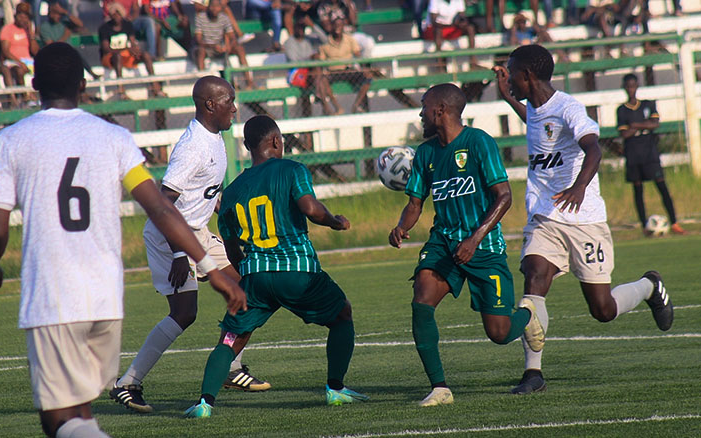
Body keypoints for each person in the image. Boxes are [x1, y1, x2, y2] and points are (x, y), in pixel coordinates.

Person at [0, 42, 246, 438]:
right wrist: (207, 265)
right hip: (104, 295)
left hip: (51, 293)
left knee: (61, 420)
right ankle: (170, 376)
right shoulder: (114, 137)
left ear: (33, 83)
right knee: (81, 416)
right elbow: (161, 208)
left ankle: (225, 368)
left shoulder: (12, 139)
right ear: (84, 85)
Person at [492, 44, 673, 395]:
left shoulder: (569, 108)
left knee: (603, 310)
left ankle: (649, 286)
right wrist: (506, 99)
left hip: (583, 219)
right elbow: (535, 124)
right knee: (534, 278)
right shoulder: (534, 109)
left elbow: (594, 147)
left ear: (527, 76)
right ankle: (533, 373)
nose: (509, 78)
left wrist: (578, 187)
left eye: (512, 73)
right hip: (545, 216)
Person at [183, 114, 368, 417]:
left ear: (247, 146)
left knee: (230, 339)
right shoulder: (291, 169)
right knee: (342, 314)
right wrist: (334, 221)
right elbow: (310, 208)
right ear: (276, 141)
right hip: (297, 270)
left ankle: (204, 403)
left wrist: (248, 273)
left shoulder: (232, 190)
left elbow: (230, 247)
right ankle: (335, 389)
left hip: (256, 274)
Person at [109, 76, 271, 414]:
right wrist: (181, 252)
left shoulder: (214, 138)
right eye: (229, 100)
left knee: (248, 290)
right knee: (184, 314)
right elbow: (164, 203)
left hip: (195, 230)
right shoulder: (193, 146)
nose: (235, 107)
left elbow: (204, 195)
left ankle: (232, 367)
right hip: (170, 235)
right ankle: (128, 383)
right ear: (210, 105)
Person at [388, 83, 544, 407]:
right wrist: (402, 227)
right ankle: (440, 388)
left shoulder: (479, 142)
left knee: (499, 333)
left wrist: (475, 238)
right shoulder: (427, 153)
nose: (420, 113)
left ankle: (527, 317)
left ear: (440, 110)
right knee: (422, 297)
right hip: (444, 243)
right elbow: (415, 203)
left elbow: (504, 196)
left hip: (483, 247)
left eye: (423, 106)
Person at [616, 73, 685, 236]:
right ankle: (645, 226)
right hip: (633, 154)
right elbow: (624, 134)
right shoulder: (621, 110)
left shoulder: (647, 104)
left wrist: (635, 126)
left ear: (637, 86)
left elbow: (655, 124)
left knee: (662, 186)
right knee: (638, 190)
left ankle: (674, 222)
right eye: (628, 86)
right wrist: (643, 126)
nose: (631, 89)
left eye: (633, 86)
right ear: (624, 88)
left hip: (650, 153)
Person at [98, 2, 165, 100]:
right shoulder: (104, 28)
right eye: (114, 14)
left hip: (125, 56)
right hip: (110, 58)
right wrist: (125, 49)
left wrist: (136, 50)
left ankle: (155, 86)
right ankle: (121, 90)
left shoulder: (127, 25)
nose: (116, 16)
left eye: (118, 14)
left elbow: (132, 42)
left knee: (145, 55)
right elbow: (106, 48)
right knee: (117, 55)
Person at [283, 16, 339, 115]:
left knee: (319, 76)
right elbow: (294, 61)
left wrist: (312, 25)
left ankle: (324, 104)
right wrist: (310, 58)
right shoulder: (289, 43)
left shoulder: (309, 39)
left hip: (312, 74)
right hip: (297, 74)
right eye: (299, 27)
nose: (301, 30)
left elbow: (325, 40)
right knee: (320, 75)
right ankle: (331, 106)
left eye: (303, 28)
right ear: (294, 28)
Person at [193, 0, 255, 89]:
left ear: (220, 8)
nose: (214, 9)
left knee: (239, 48)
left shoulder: (224, 18)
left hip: (220, 47)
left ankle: (249, 82)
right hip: (207, 47)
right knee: (200, 51)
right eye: (212, 6)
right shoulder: (200, 18)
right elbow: (198, 40)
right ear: (208, 7)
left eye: (217, 6)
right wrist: (213, 46)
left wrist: (228, 45)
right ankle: (202, 86)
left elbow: (232, 36)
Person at [317, 16, 369, 114]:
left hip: (347, 69)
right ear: (331, 26)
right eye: (335, 25)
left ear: (343, 27)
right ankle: (335, 107)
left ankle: (356, 105)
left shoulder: (350, 39)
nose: (337, 27)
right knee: (322, 81)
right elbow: (321, 61)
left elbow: (358, 54)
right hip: (333, 72)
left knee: (368, 76)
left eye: (340, 25)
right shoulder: (325, 43)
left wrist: (361, 63)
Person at [39, 2, 99, 80]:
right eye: (54, 13)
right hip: (56, 54)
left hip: (70, 51)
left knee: (76, 55)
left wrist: (65, 12)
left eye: (58, 14)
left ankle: (89, 74)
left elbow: (80, 24)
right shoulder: (45, 27)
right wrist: (65, 36)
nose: (56, 16)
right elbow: (51, 46)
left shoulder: (64, 23)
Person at [0, 2, 38, 104]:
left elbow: (34, 51)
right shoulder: (7, 29)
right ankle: (26, 97)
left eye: (25, 17)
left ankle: (41, 97)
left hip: (28, 60)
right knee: (19, 70)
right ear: (16, 16)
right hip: (12, 61)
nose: (23, 19)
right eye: (20, 16)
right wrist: (20, 62)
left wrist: (31, 34)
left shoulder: (27, 31)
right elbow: (5, 51)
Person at [422, 0, 478, 68]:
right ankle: (440, 65)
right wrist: (453, 25)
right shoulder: (434, 1)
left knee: (470, 28)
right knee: (438, 30)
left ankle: (473, 62)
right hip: (434, 29)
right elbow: (434, 22)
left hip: (451, 28)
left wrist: (462, 23)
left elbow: (462, 16)